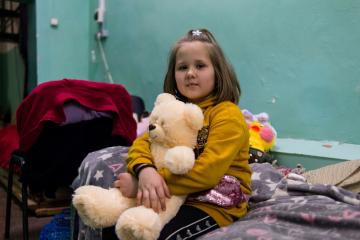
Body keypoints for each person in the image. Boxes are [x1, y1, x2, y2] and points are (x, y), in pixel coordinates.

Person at [113, 28, 252, 240]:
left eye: (200, 66)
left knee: (161, 236)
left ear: (218, 72)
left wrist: (146, 184)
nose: (190, 73)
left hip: (214, 203)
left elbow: (207, 173)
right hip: (175, 194)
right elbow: (143, 143)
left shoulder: (227, 114)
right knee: (117, 230)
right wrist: (144, 171)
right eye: (182, 67)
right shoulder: (172, 110)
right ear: (173, 74)